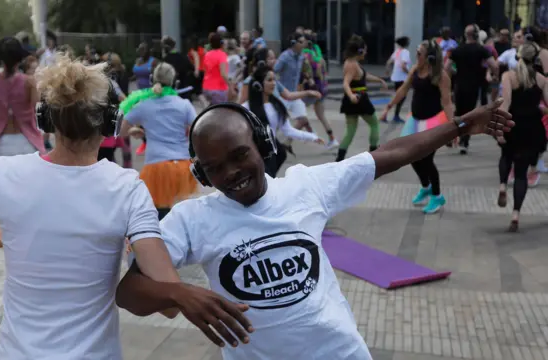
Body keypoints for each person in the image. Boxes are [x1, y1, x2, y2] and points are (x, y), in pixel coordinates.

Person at [128, 97, 512, 359]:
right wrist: (179, 294)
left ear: (263, 145)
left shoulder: (306, 186)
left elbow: (390, 154)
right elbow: (129, 292)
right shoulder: (192, 220)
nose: (230, 173)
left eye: (239, 155)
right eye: (213, 167)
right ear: (201, 173)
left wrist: (461, 125)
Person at [0, 54, 253, 359]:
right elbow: (167, 302)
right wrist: (125, 246)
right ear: (112, 122)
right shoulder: (126, 189)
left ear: (46, 118)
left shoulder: (4, 175)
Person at [118, 62, 198, 220]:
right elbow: (198, 131)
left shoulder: (144, 105)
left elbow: (121, 131)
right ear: (174, 81)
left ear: (152, 80)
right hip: (182, 165)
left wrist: (139, 131)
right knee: (183, 217)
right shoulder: (184, 105)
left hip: (157, 166)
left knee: (160, 219)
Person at [380, 40, 453, 214]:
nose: (416, 56)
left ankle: (437, 196)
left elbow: (447, 102)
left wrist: (453, 127)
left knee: (427, 160)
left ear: (429, 57)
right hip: (415, 120)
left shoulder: (440, 76)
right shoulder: (414, 70)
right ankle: (426, 186)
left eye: (419, 53)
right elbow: (403, 91)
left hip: (433, 122)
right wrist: (388, 107)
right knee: (410, 156)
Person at [497, 42, 548, 231]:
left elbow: (506, 103)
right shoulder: (542, 80)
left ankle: (502, 186)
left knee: (505, 156)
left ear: (518, 56)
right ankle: (516, 214)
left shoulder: (509, 76)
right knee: (521, 174)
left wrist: (500, 128)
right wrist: (541, 108)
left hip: (513, 125)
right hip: (533, 129)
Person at [243, 64, 324, 177]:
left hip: (270, 156)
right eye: (269, 80)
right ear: (258, 84)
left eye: (274, 80)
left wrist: (312, 137)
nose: (274, 83)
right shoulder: (246, 108)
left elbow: (288, 130)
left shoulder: (277, 106)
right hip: (253, 157)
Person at [0, 37, 45, 158]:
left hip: (1, 142)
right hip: (27, 140)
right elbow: (40, 112)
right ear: (20, 59)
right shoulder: (30, 82)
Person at [446, 24, 498, 154]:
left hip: (459, 85)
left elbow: (446, 68)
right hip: (473, 86)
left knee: (458, 112)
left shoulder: (457, 50)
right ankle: (464, 141)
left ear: (465, 35)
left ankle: (451, 135)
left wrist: (456, 73)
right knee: (469, 114)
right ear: (476, 35)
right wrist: (494, 76)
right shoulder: (482, 50)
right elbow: (494, 65)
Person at [338, 34, 386, 162]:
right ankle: (374, 153)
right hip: (359, 99)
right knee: (374, 123)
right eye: (364, 49)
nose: (366, 52)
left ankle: (339, 159)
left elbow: (363, 76)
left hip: (353, 100)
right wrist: (351, 96)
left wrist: (379, 80)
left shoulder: (352, 62)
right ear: (359, 51)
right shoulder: (352, 65)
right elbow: (346, 83)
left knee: (351, 131)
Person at [385, 36, 411, 123]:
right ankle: (395, 115)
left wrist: (388, 71)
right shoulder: (405, 52)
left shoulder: (397, 51)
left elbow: (388, 62)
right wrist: (410, 73)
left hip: (396, 77)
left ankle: (389, 114)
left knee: (397, 96)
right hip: (402, 78)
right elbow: (403, 66)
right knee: (401, 97)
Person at [202, 32, 230, 105]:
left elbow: (205, 70)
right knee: (221, 112)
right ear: (221, 43)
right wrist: (231, 85)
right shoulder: (222, 55)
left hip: (206, 87)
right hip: (218, 89)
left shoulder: (207, 54)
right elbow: (223, 74)